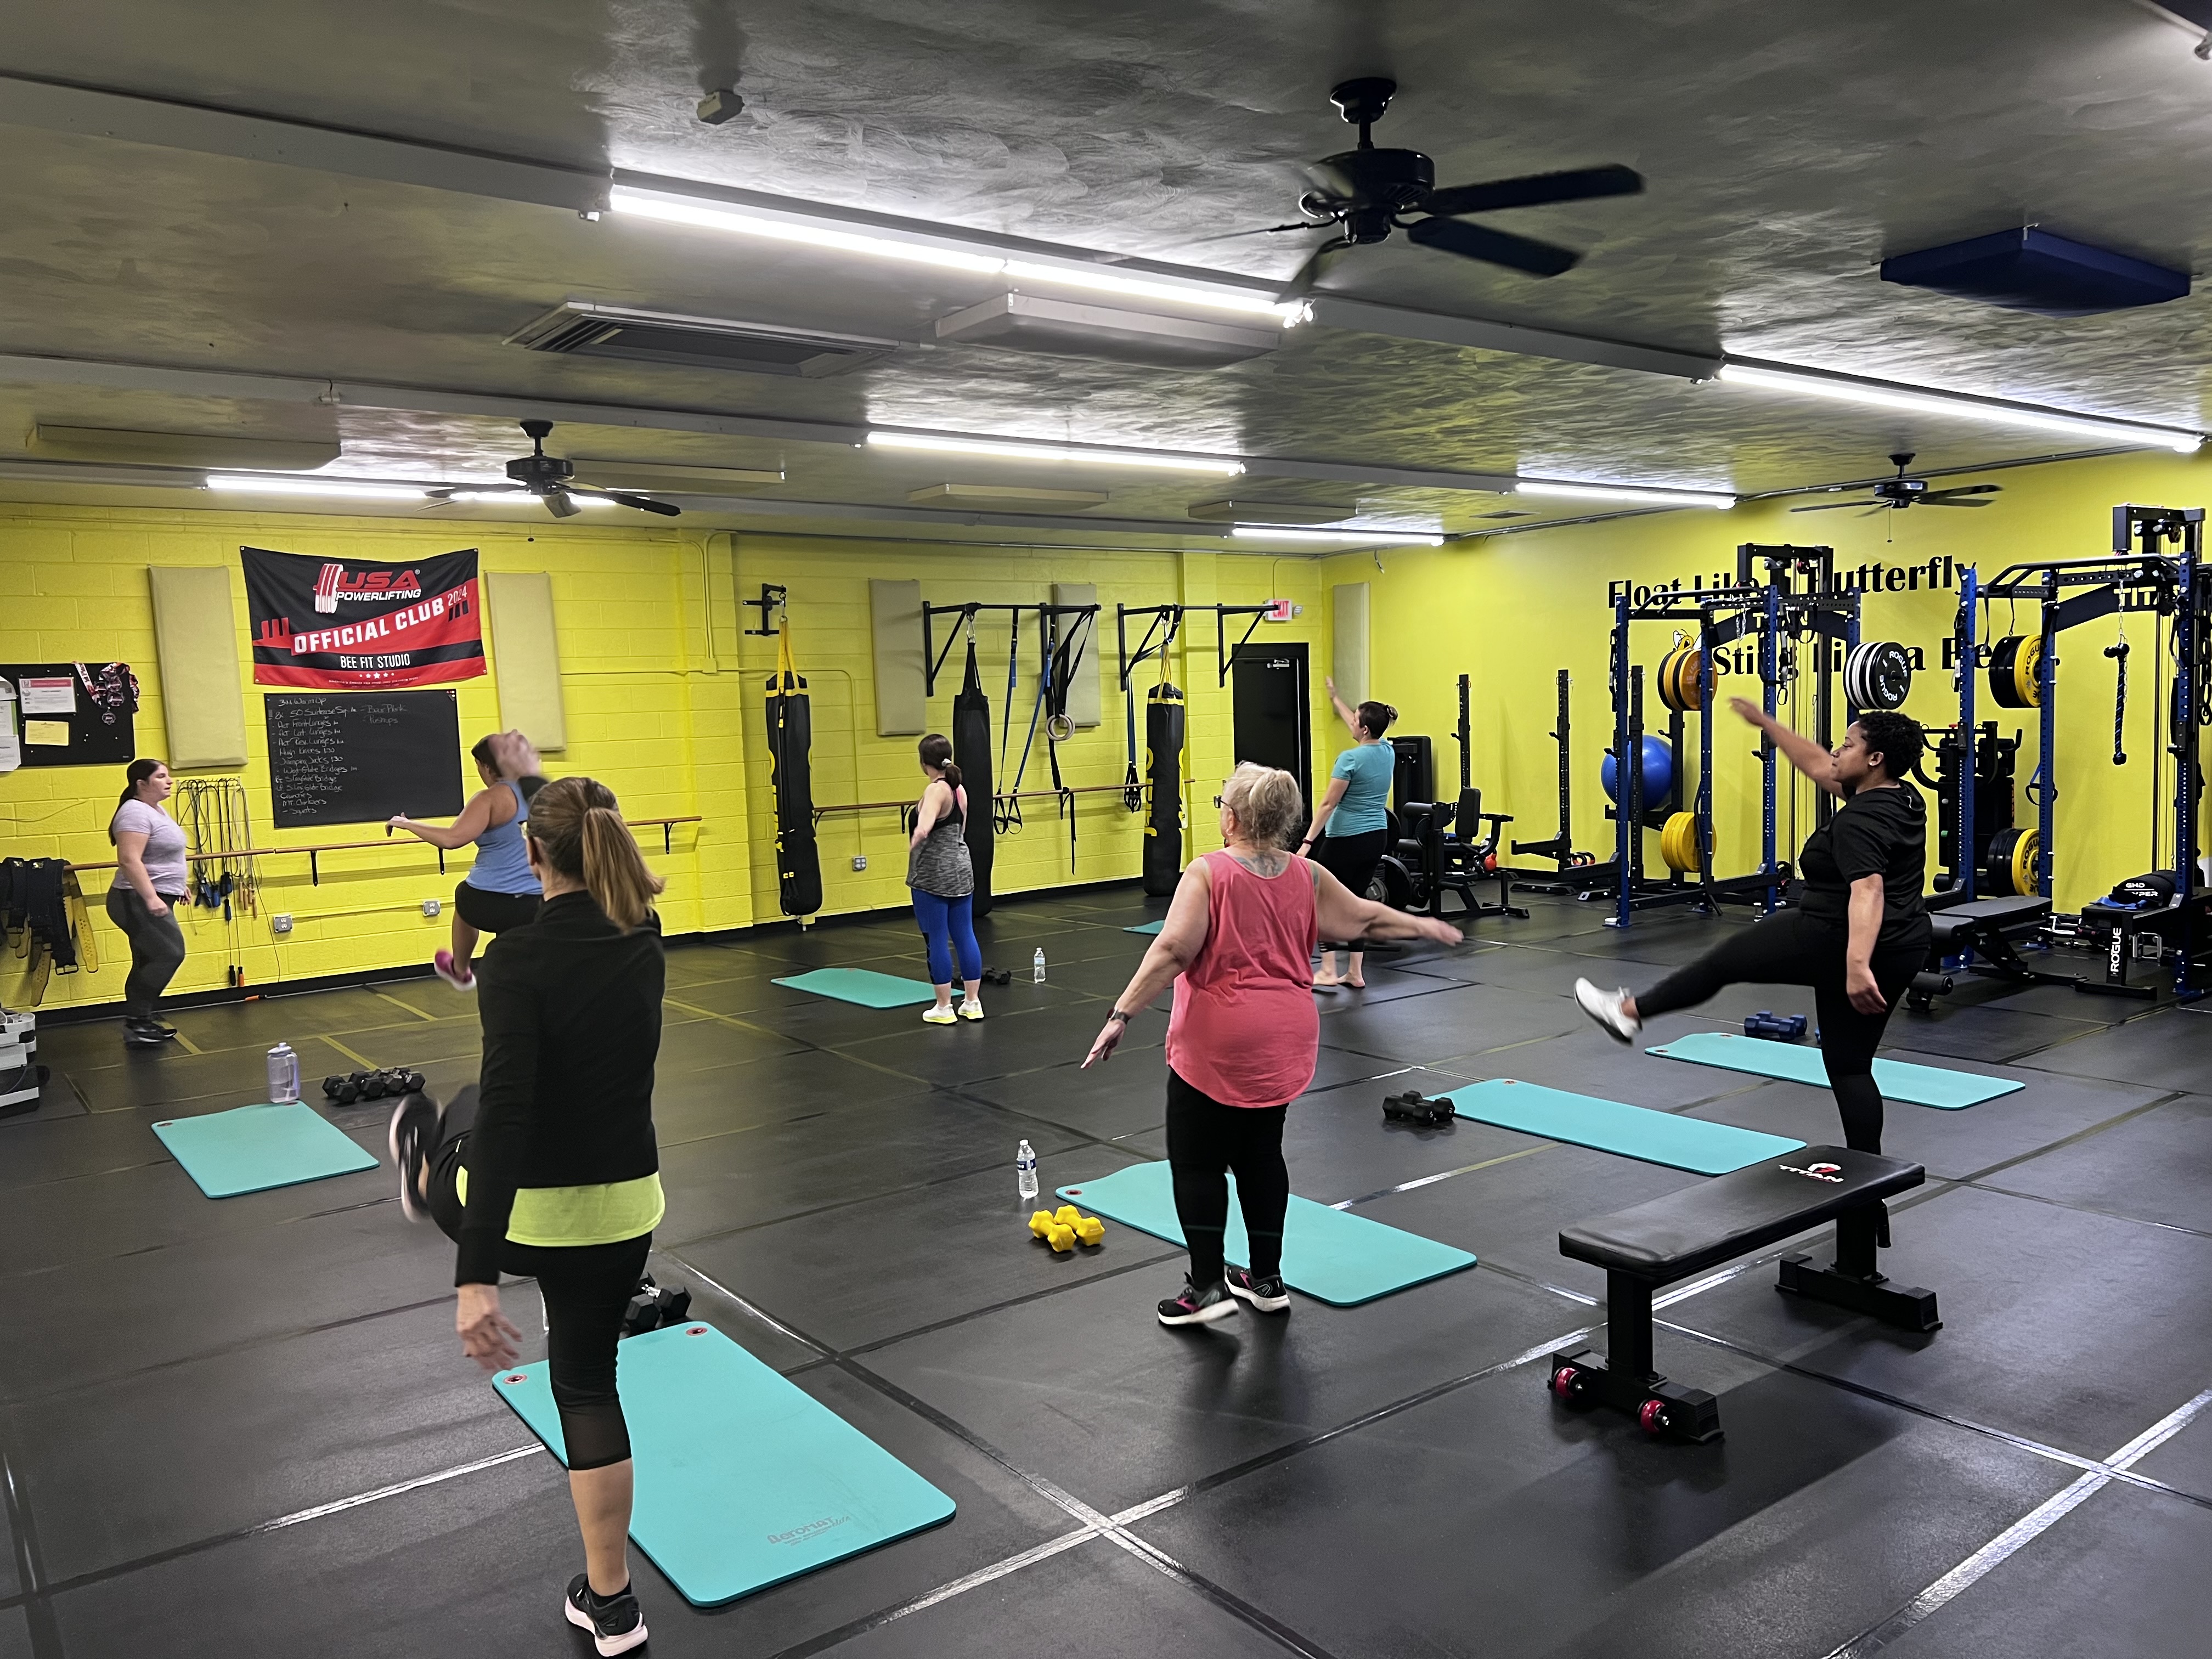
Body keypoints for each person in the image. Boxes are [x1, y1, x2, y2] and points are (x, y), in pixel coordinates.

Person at [386, 775, 667, 1657]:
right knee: (586, 1384)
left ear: (533, 853)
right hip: (624, 1212)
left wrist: (474, 1277)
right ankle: (612, 1606)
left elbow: (511, 1116)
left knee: (472, 1114)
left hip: (526, 1220)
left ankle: (422, 1165)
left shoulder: (515, 963)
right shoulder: (646, 936)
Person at [1085, 762, 1461, 1325]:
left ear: (1232, 818)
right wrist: (1426, 925)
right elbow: (1362, 920)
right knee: (1261, 1155)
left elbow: (1173, 951)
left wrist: (1120, 1015)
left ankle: (1206, 1288)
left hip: (1219, 1043)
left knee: (1198, 1165)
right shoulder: (1308, 875)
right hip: (1286, 1039)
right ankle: (1266, 1279)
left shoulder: (1208, 872)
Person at [1575, 702, 1933, 1167]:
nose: (1836, 751)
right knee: (1850, 1066)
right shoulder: (1903, 798)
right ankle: (1872, 1185)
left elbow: (1868, 890)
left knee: (1722, 962)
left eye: (1847, 745)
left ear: (1874, 759)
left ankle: (1627, 1013)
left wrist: (1857, 964)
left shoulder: (1859, 821)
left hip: (1838, 937)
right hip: (1904, 943)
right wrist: (1769, 725)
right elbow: (1818, 765)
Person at [388, 735, 545, 991]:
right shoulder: (539, 793)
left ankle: (460, 969)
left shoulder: (489, 799)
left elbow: (452, 839)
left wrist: (407, 824)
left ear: (487, 767)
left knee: (464, 895)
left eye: (478, 767)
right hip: (540, 899)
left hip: (493, 901)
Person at [1300, 680, 1400, 990]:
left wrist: (1307, 843)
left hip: (1345, 840)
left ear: (1364, 729)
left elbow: (1328, 804)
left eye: (1355, 720)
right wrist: (1336, 700)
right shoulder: (1387, 750)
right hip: (1376, 837)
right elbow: (1361, 727)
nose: (1351, 723)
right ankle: (1355, 973)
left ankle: (1329, 970)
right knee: (1356, 902)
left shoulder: (1349, 759)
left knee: (1324, 902)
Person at [106, 758, 189, 1049]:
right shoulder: (134, 813)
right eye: (161, 776)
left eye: (168, 776)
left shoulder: (155, 809)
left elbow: (162, 856)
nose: (169, 781)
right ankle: (138, 1020)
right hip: (136, 898)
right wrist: (152, 897)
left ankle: (140, 1021)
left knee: (147, 959)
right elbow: (129, 860)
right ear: (141, 784)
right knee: (170, 954)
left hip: (153, 895)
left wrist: (178, 885)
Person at [907, 733, 984, 1024]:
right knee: (965, 934)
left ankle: (944, 1007)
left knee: (937, 938)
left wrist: (916, 839)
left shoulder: (935, 790)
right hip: (962, 868)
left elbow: (925, 826)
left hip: (933, 875)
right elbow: (960, 830)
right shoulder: (959, 789)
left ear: (923, 763)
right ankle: (972, 1003)